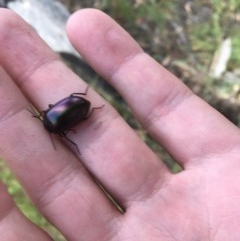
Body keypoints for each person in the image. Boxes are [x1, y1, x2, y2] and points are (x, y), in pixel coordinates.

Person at [0, 8, 240, 241]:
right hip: (77, 103)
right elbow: (65, 106)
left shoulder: (59, 127)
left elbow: (71, 116)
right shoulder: (50, 116)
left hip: (77, 107)